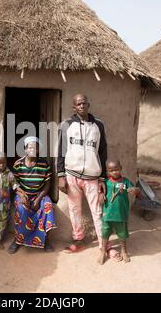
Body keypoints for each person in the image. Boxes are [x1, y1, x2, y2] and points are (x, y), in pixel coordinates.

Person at [57, 94, 108, 253]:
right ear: (74, 107)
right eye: (78, 104)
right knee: (74, 211)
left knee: (98, 212)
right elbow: (60, 151)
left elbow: (103, 152)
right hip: (72, 175)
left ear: (88, 104)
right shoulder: (66, 125)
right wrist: (60, 176)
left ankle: (104, 246)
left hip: (92, 177)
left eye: (84, 103)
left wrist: (102, 179)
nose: (82, 106)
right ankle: (78, 241)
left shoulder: (98, 125)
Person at [8, 137, 57, 254]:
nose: (32, 150)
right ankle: (17, 240)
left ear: (39, 150)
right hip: (23, 193)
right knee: (21, 208)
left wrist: (39, 199)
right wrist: (21, 194)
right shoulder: (18, 164)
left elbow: (47, 185)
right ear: (25, 149)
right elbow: (14, 184)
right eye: (29, 148)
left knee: (48, 206)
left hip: (39, 194)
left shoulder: (44, 164)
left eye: (35, 148)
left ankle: (46, 240)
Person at [98, 160, 140, 265]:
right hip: (107, 214)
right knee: (105, 234)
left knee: (122, 234)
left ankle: (124, 251)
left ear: (120, 168)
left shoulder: (125, 181)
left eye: (116, 169)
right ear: (107, 171)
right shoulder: (106, 182)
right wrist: (100, 195)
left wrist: (135, 190)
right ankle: (103, 251)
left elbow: (134, 190)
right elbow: (101, 192)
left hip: (121, 214)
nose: (114, 172)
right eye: (111, 171)